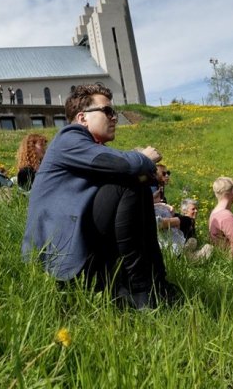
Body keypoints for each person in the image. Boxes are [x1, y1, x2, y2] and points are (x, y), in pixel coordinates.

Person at [22, 84, 174, 309]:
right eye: (108, 111)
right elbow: (124, 164)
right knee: (128, 183)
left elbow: (137, 174)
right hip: (58, 256)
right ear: (82, 117)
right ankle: (137, 289)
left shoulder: (87, 147)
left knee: (133, 182)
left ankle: (155, 284)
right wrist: (144, 157)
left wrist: (140, 170)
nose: (114, 118)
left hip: (75, 240)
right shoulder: (69, 138)